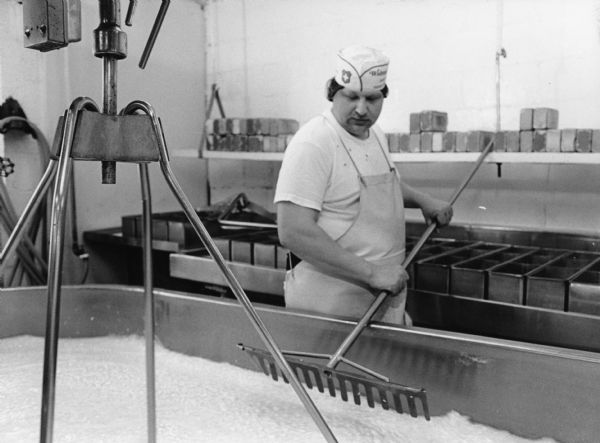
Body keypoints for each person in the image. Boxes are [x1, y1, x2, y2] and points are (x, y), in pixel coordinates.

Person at [274, 45, 453, 325]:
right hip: (329, 307)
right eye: (351, 97)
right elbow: (292, 231)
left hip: (380, 298)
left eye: (372, 98)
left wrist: (422, 200)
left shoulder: (375, 134)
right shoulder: (314, 142)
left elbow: (381, 187)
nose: (361, 109)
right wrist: (372, 273)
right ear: (333, 93)